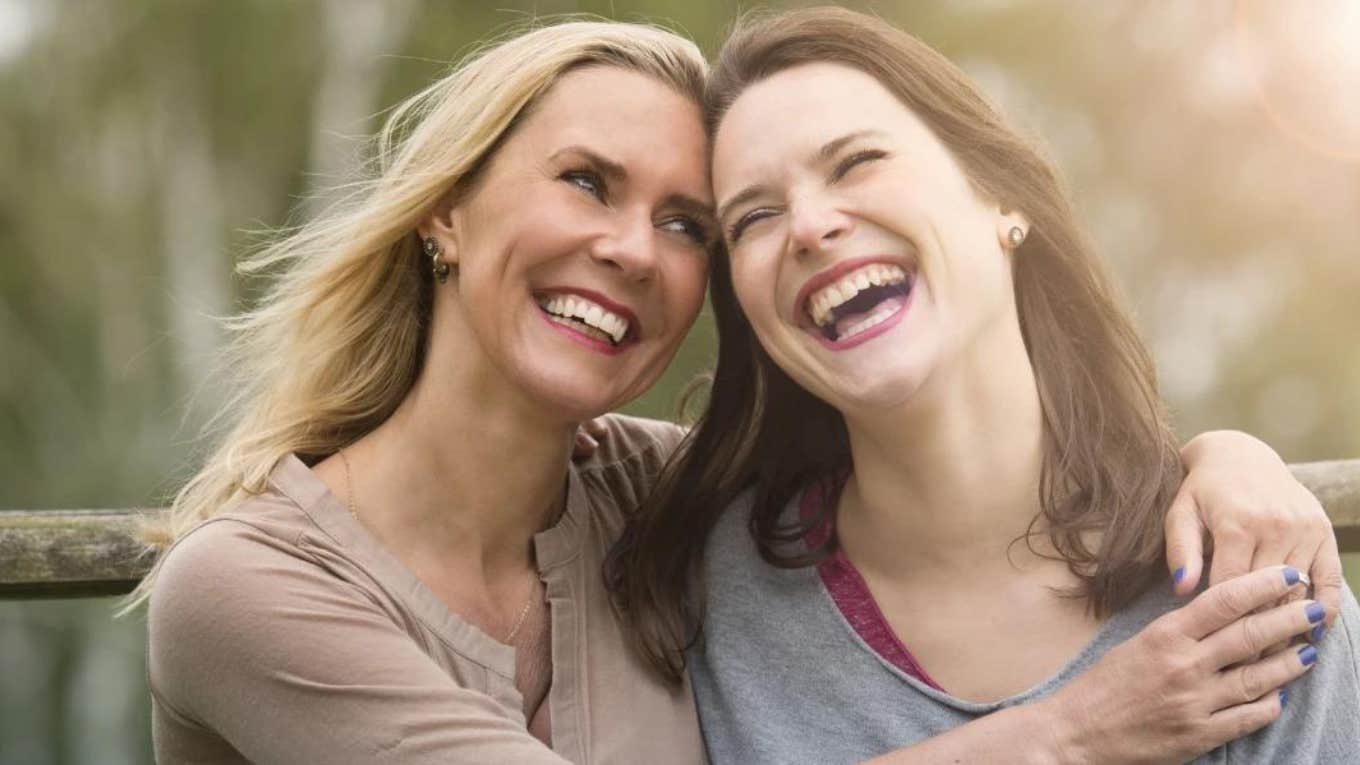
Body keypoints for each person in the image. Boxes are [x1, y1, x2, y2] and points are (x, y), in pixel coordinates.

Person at [133, 16, 1341, 765]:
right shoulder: (245, 592)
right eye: (585, 181)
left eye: (688, 223)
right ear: (444, 212)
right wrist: (1077, 734)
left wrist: (1225, 460)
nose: (633, 250)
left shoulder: (657, 503)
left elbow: (962, 445)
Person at [608, 7, 1358, 764]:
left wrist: (1233, 451)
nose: (807, 225)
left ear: (1003, 198)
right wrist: (1068, 734)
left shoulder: (1250, 578)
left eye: (856, 162)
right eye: (754, 216)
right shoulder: (703, 581)